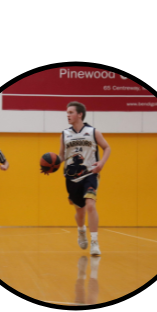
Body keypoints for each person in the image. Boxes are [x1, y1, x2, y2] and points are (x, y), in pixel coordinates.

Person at [56, 101, 111, 256]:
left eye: (71, 112)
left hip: (90, 174)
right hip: (72, 177)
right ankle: (81, 230)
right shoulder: (64, 134)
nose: (67, 115)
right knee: (80, 212)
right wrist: (52, 165)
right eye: (67, 112)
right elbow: (61, 156)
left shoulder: (93, 132)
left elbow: (107, 147)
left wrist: (101, 163)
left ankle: (94, 242)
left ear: (80, 114)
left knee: (90, 206)